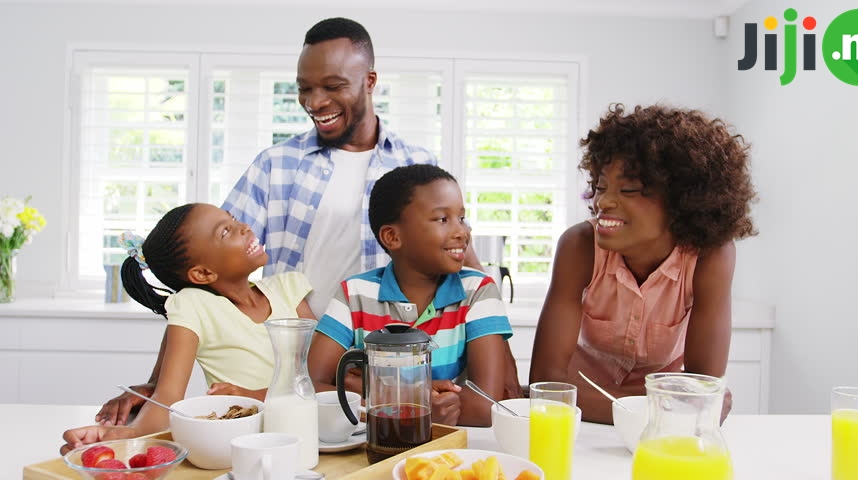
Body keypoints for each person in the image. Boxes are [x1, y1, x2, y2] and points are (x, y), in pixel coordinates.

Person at [95, 17, 522, 425]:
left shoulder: (417, 166)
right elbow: (202, 268)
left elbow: (464, 265)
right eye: (305, 88)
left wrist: (508, 377)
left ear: (369, 81)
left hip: (387, 366)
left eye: (333, 86)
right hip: (298, 369)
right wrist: (157, 385)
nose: (315, 102)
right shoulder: (274, 167)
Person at [529, 104, 757, 424]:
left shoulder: (710, 256)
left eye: (628, 190)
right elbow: (547, 388)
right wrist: (663, 409)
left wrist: (685, 406)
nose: (602, 202)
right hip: (583, 424)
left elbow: (703, 390)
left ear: (683, 200)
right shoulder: (579, 247)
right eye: (600, 186)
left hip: (612, 414)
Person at [61, 203, 315, 453]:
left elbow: (321, 379)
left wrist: (254, 394)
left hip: (310, 433)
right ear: (203, 274)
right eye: (225, 231)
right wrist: (129, 435)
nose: (244, 227)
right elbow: (168, 397)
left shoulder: (288, 287)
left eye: (234, 219)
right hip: (244, 445)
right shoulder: (192, 306)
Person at [308, 164, 515, 427]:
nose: (462, 232)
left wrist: (369, 389)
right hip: (373, 442)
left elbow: (486, 406)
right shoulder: (355, 294)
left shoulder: (478, 292)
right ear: (392, 237)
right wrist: (414, 402)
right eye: (443, 219)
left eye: (461, 218)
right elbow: (310, 386)